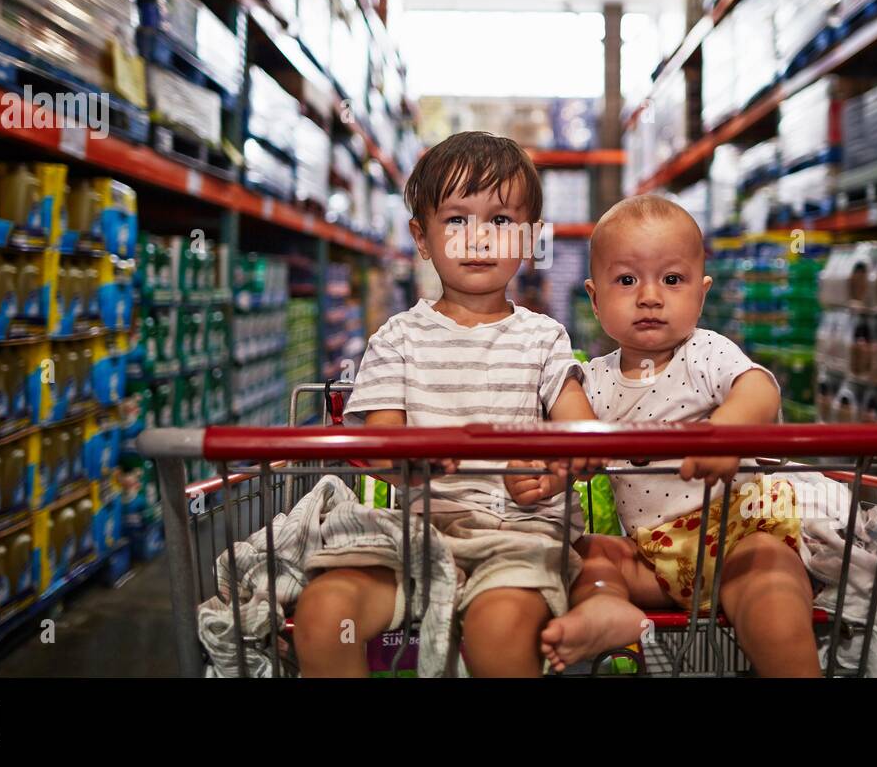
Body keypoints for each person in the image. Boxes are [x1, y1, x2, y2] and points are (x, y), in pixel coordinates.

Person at [292, 132, 599, 677]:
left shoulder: (544, 338)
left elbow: (581, 434)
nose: (478, 239)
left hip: (517, 535)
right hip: (414, 533)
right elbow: (384, 444)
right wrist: (412, 461)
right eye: (457, 220)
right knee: (323, 614)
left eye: (501, 221)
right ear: (422, 237)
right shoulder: (397, 338)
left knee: (497, 632)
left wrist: (553, 473)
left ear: (528, 239)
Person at [539, 194, 821, 677]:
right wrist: (554, 471)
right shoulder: (592, 380)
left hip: (737, 535)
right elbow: (573, 441)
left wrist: (725, 435)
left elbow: (759, 390)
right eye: (626, 280)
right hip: (655, 557)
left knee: (771, 583)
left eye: (672, 280)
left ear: (702, 293)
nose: (650, 296)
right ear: (594, 297)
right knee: (587, 554)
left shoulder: (706, 352)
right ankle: (605, 607)